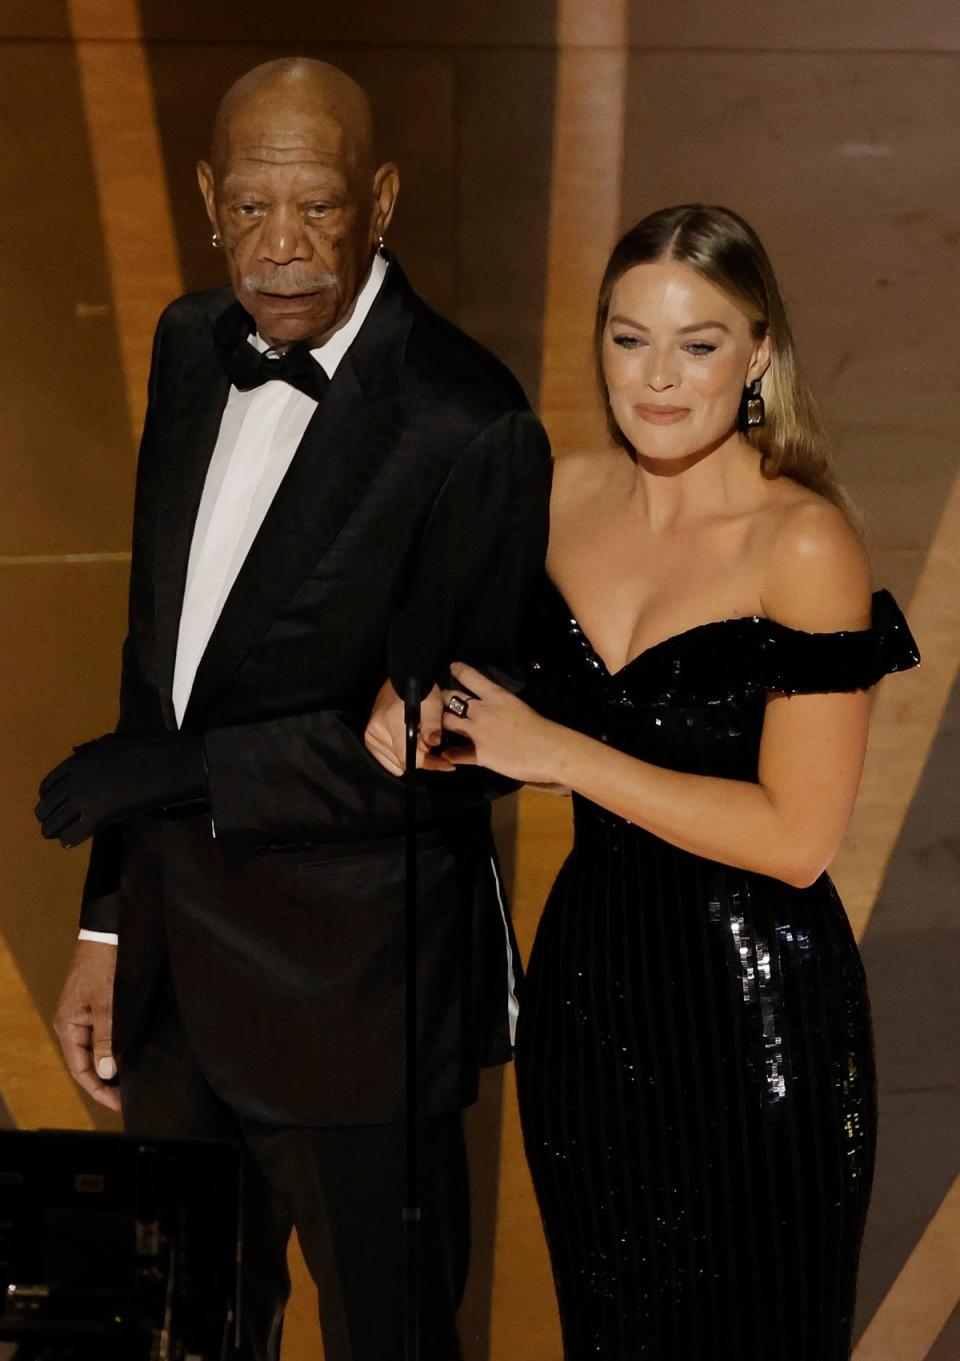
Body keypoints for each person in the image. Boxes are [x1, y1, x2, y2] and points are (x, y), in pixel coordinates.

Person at [35, 58, 551, 1361]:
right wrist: (105, 923)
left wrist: (184, 772)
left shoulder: (465, 419)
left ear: (380, 199)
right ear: (209, 198)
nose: (282, 250)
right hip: (172, 982)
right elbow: (156, 663)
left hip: (355, 996)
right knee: (181, 1332)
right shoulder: (185, 344)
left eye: (316, 209)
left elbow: (460, 740)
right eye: (252, 210)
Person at [380, 205, 920, 1359]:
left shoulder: (802, 542)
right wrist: (411, 702)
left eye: (698, 342)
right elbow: (467, 684)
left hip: (757, 1009)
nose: (659, 378)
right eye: (630, 340)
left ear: (760, 352)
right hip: (589, 998)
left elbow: (797, 837)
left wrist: (557, 752)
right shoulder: (554, 495)